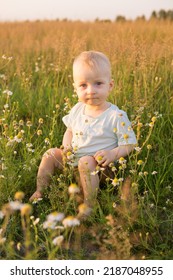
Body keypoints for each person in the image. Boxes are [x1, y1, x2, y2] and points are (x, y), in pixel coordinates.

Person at [30, 51, 137, 213]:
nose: (90, 91)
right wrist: (66, 147)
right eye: (83, 85)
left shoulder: (116, 115)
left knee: (86, 161)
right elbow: (70, 130)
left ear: (110, 86)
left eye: (98, 83)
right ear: (75, 88)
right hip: (74, 162)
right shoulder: (78, 109)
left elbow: (129, 144)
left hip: (100, 168)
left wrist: (112, 154)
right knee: (50, 154)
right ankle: (40, 190)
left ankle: (89, 204)